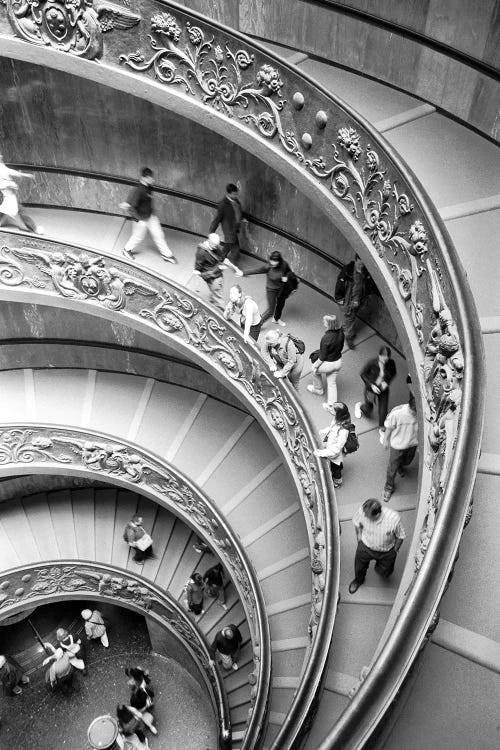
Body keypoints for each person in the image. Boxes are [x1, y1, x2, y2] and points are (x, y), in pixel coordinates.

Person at [120, 167, 177, 264]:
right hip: (140, 219)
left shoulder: (149, 187)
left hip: (150, 216)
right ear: (145, 177)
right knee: (138, 237)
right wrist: (139, 220)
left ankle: (167, 255)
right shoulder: (138, 190)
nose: (153, 179)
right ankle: (126, 250)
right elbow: (130, 207)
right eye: (151, 178)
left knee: (158, 234)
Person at [349, 498, 406, 594]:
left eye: (368, 516)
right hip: (365, 547)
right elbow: (357, 522)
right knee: (359, 567)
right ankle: (358, 580)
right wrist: (359, 537)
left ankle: (382, 571)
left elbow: (400, 536)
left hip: (386, 551)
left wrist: (395, 550)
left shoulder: (393, 518)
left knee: (385, 570)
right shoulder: (363, 511)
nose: (365, 517)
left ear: (378, 514)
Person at [382, 396, 418, 502]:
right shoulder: (398, 413)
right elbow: (389, 427)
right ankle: (388, 488)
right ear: (410, 407)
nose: (415, 415)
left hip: (412, 444)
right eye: (414, 413)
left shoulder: (420, 413)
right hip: (397, 445)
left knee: (407, 461)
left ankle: (400, 466)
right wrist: (386, 439)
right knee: (392, 468)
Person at [355, 345, 397, 436]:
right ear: (379, 355)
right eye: (383, 357)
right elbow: (362, 374)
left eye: (387, 358)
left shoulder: (391, 363)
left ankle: (382, 430)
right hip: (371, 389)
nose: (385, 360)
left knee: (383, 410)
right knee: (368, 409)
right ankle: (361, 406)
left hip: (383, 389)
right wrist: (371, 385)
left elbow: (393, 373)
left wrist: (387, 382)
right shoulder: (372, 363)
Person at [194, 233, 243, 310]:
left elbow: (224, 259)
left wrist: (235, 268)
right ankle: (220, 311)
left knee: (214, 290)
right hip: (213, 277)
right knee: (218, 296)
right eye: (215, 245)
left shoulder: (216, 247)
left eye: (217, 245)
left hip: (213, 275)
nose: (216, 247)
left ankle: (213, 298)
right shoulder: (201, 253)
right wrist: (198, 284)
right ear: (209, 241)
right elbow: (197, 270)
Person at [243, 250, 293, 325]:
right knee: (270, 311)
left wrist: (286, 277)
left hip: (282, 288)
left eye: (274, 262)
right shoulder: (268, 267)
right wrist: (243, 272)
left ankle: (276, 319)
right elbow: (257, 270)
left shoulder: (284, 265)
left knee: (280, 304)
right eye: (271, 261)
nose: (272, 263)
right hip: (271, 289)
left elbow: (289, 273)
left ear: (279, 261)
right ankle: (257, 324)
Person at [307, 314, 345, 407]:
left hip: (329, 364)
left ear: (329, 324)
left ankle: (318, 389)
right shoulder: (341, 333)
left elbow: (323, 356)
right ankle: (331, 406)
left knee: (314, 371)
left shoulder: (326, 338)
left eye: (325, 321)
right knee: (332, 383)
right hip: (338, 362)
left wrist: (315, 366)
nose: (323, 322)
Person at [0, 154, 44, 234]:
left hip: (9, 196)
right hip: (9, 196)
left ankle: (32, 228)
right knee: (19, 211)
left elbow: (11, 172)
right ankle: (34, 229)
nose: (1, 156)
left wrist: (26, 175)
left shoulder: (2, 166)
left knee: (6, 210)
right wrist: (10, 185)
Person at [313, 402, 351, 489]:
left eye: (333, 409)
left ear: (338, 414)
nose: (331, 410)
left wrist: (322, 453)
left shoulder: (343, 431)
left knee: (336, 468)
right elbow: (332, 428)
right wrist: (324, 431)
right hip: (331, 446)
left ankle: (338, 481)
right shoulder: (337, 420)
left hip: (335, 454)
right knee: (335, 466)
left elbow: (337, 449)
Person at [209, 183, 246, 264]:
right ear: (228, 193)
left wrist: (242, 218)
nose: (236, 195)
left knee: (228, 245)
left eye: (237, 193)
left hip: (235, 227)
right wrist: (211, 232)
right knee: (235, 249)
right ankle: (235, 266)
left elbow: (238, 211)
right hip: (229, 230)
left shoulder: (236, 200)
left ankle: (220, 258)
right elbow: (217, 219)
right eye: (234, 194)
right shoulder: (223, 205)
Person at [337, 256, 369, 349]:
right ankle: (349, 336)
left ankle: (344, 327)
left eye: (363, 263)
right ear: (356, 259)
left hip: (358, 299)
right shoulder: (348, 271)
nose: (361, 264)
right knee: (350, 317)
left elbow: (361, 286)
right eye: (360, 262)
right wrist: (342, 300)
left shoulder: (363, 271)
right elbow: (340, 285)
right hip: (349, 301)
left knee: (350, 316)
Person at [126, 667, 157, 735]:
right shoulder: (143, 689)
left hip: (141, 707)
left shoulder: (135, 697)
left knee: (140, 716)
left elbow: (134, 707)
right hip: (143, 704)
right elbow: (151, 695)